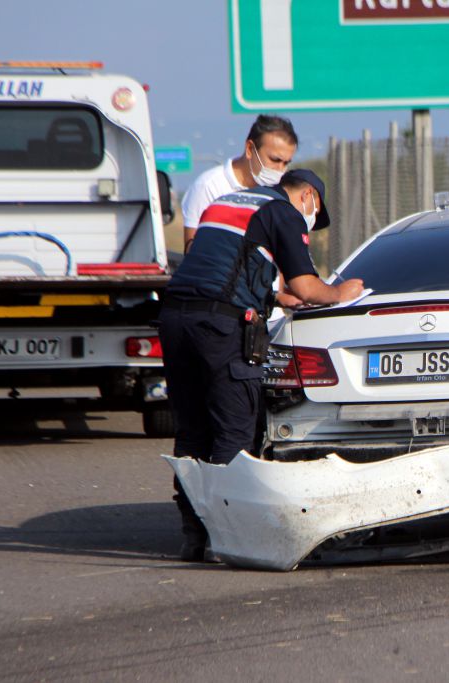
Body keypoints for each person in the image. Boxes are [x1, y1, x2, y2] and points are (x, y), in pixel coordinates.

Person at [159, 169, 364, 562]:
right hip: (220, 327)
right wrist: (340, 292)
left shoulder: (228, 201)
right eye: (314, 212)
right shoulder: (284, 211)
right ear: (308, 196)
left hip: (175, 319)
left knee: (192, 433)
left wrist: (275, 297)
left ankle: (193, 536)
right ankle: (225, 537)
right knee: (234, 431)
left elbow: (222, 264)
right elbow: (306, 285)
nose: (310, 220)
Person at [180, 114, 297, 253]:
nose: (280, 169)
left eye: (286, 163)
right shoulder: (208, 187)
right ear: (249, 149)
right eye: (275, 160)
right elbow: (192, 251)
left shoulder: (279, 193)